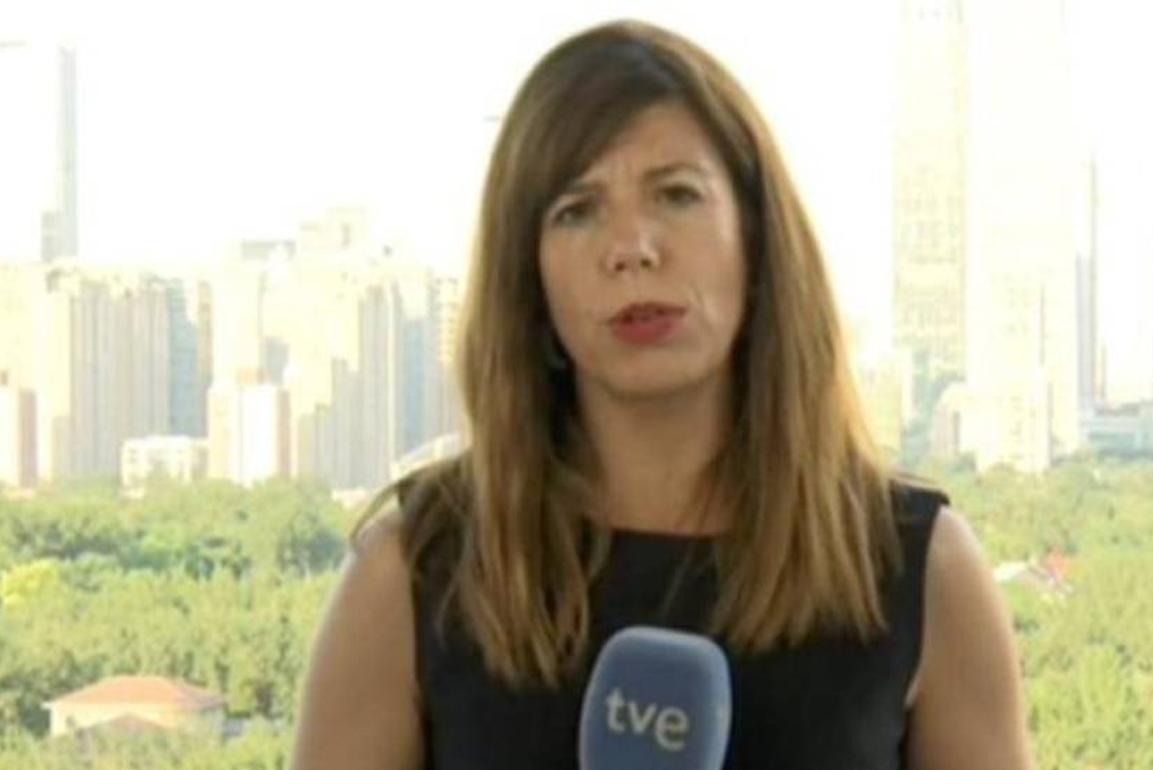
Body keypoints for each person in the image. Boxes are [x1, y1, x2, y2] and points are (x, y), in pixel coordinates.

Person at [289, 19, 1035, 770]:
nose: (632, 249)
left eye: (677, 195)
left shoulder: (924, 572)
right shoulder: (410, 575)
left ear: (757, 239)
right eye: (577, 210)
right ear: (529, 275)